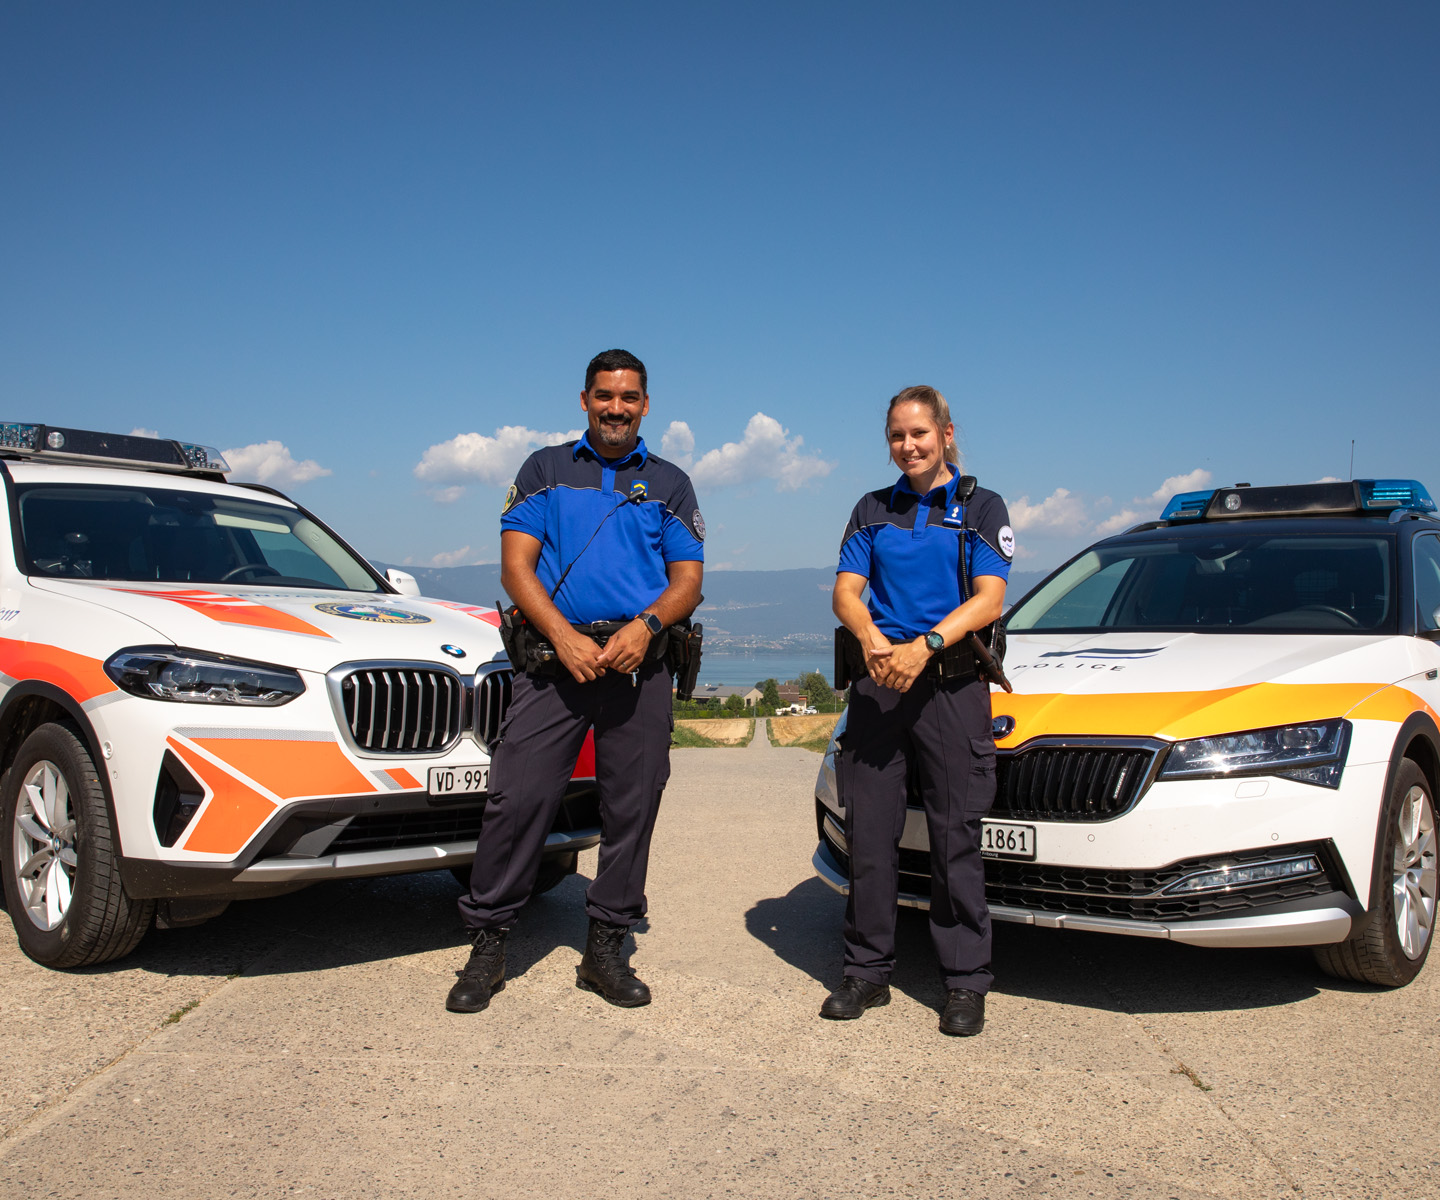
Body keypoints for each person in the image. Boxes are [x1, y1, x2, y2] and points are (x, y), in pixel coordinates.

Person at [447, 349, 704, 1014]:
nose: (616, 408)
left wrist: (646, 628)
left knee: (632, 809)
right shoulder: (545, 469)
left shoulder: (670, 482)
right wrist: (563, 637)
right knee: (517, 799)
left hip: (638, 665)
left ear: (645, 405)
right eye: (605, 396)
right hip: (553, 663)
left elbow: (687, 581)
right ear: (585, 400)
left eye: (629, 397)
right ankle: (488, 943)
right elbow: (516, 568)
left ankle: (605, 950)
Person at [825, 385, 1012, 1036]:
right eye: (897, 436)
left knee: (954, 837)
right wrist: (874, 640)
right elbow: (846, 593)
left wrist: (925, 645)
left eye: (920, 434)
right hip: (880, 684)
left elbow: (989, 598)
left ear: (946, 434)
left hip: (950, 687)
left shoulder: (981, 506)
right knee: (870, 836)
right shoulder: (872, 509)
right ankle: (866, 973)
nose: (908, 446)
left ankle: (965, 983)